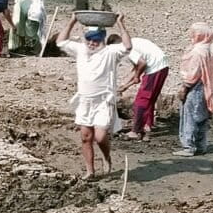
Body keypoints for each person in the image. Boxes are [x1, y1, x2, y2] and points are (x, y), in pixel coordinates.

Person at [56, 14, 132, 179]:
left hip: (103, 101)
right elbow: (60, 42)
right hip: (85, 100)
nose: (91, 43)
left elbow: (127, 47)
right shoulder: (81, 50)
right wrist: (72, 21)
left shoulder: (110, 52)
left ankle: (106, 157)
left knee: (100, 136)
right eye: (89, 40)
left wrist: (120, 24)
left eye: (95, 40)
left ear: (102, 41)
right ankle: (90, 171)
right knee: (85, 137)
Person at [173, 22, 213, 157]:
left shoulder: (198, 52)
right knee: (202, 116)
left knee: (190, 116)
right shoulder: (212, 49)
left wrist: (185, 87)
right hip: (209, 86)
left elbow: (193, 73)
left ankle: (188, 146)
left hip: (196, 86)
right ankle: (201, 146)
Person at [111, 36, 169, 140]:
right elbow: (137, 67)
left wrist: (137, 77)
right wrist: (126, 85)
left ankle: (135, 130)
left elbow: (142, 64)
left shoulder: (124, 48)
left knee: (141, 100)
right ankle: (148, 125)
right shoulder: (134, 42)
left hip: (155, 68)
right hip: (162, 66)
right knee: (150, 98)